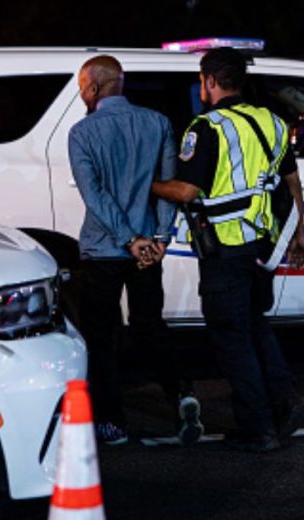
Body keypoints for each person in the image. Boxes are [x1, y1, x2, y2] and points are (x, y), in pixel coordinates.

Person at [152, 47, 304, 452]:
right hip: (263, 245)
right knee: (254, 323)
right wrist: (298, 236)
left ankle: (259, 428)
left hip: (226, 249)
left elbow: (186, 191)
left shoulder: (206, 127)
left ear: (209, 81)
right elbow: (292, 183)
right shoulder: (272, 121)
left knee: (232, 338)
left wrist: (149, 185)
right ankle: (284, 403)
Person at [69, 55, 203, 445]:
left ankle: (112, 422)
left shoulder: (82, 132)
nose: (83, 95)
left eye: (82, 88)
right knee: (150, 325)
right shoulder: (157, 122)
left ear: (94, 88)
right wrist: (159, 237)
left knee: (101, 336)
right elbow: (167, 186)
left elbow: (94, 194)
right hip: (148, 250)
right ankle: (181, 395)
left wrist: (128, 238)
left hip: (103, 249)